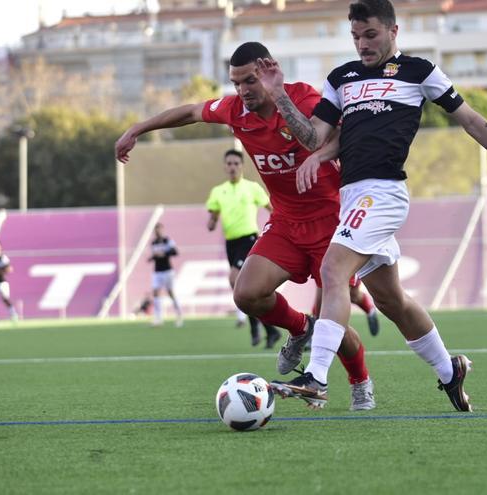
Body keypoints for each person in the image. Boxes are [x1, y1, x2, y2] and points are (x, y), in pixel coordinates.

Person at [256, 0, 487, 411]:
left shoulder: (419, 71)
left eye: (370, 34)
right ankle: (449, 370)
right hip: (353, 197)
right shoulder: (342, 78)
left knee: (333, 269)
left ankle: (317, 377)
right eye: (355, 36)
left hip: (384, 193)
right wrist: (279, 96)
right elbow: (312, 137)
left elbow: (471, 120)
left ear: (394, 31)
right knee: (391, 300)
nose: (362, 44)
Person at [115, 42, 376, 410]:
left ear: (269, 70)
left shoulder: (304, 98)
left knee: (332, 322)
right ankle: (299, 327)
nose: (243, 91)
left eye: (250, 81)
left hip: (331, 223)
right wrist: (137, 128)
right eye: (236, 83)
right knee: (246, 293)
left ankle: (360, 381)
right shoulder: (235, 110)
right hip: (286, 222)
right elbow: (190, 111)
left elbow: (342, 138)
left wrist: (322, 159)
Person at [206, 149, 281, 349]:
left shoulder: (252, 188)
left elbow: (272, 208)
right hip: (230, 243)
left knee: (234, 279)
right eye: (229, 163)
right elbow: (213, 216)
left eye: (236, 163)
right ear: (225, 166)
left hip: (249, 239)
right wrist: (211, 222)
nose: (232, 167)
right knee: (245, 290)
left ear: (242, 166)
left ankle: (255, 326)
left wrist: (277, 227)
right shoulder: (218, 191)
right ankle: (269, 330)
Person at [148, 223, 183, 327]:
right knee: (155, 292)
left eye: (159, 229)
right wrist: (152, 258)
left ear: (162, 230)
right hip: (157, 271)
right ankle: (158, 318)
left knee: (170, 293)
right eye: (156, 230)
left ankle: (179, 314)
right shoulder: (153, 243)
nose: (157, 231)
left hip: (167, 271)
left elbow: (175, 252)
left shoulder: (167, 241)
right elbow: (155, 256)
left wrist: (164, 253)